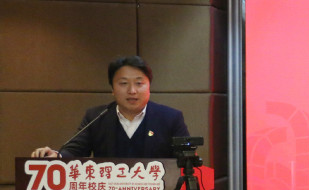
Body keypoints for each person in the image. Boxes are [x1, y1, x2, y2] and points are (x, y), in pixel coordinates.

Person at [31, 56, 190, 158]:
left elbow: (185, 159)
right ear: (112, 89)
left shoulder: (170, 118)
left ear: (149, 86)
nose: (132, 90)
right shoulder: (96, 116)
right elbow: (73, 151)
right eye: (123, 83)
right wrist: (56, 156)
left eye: (139, 83)